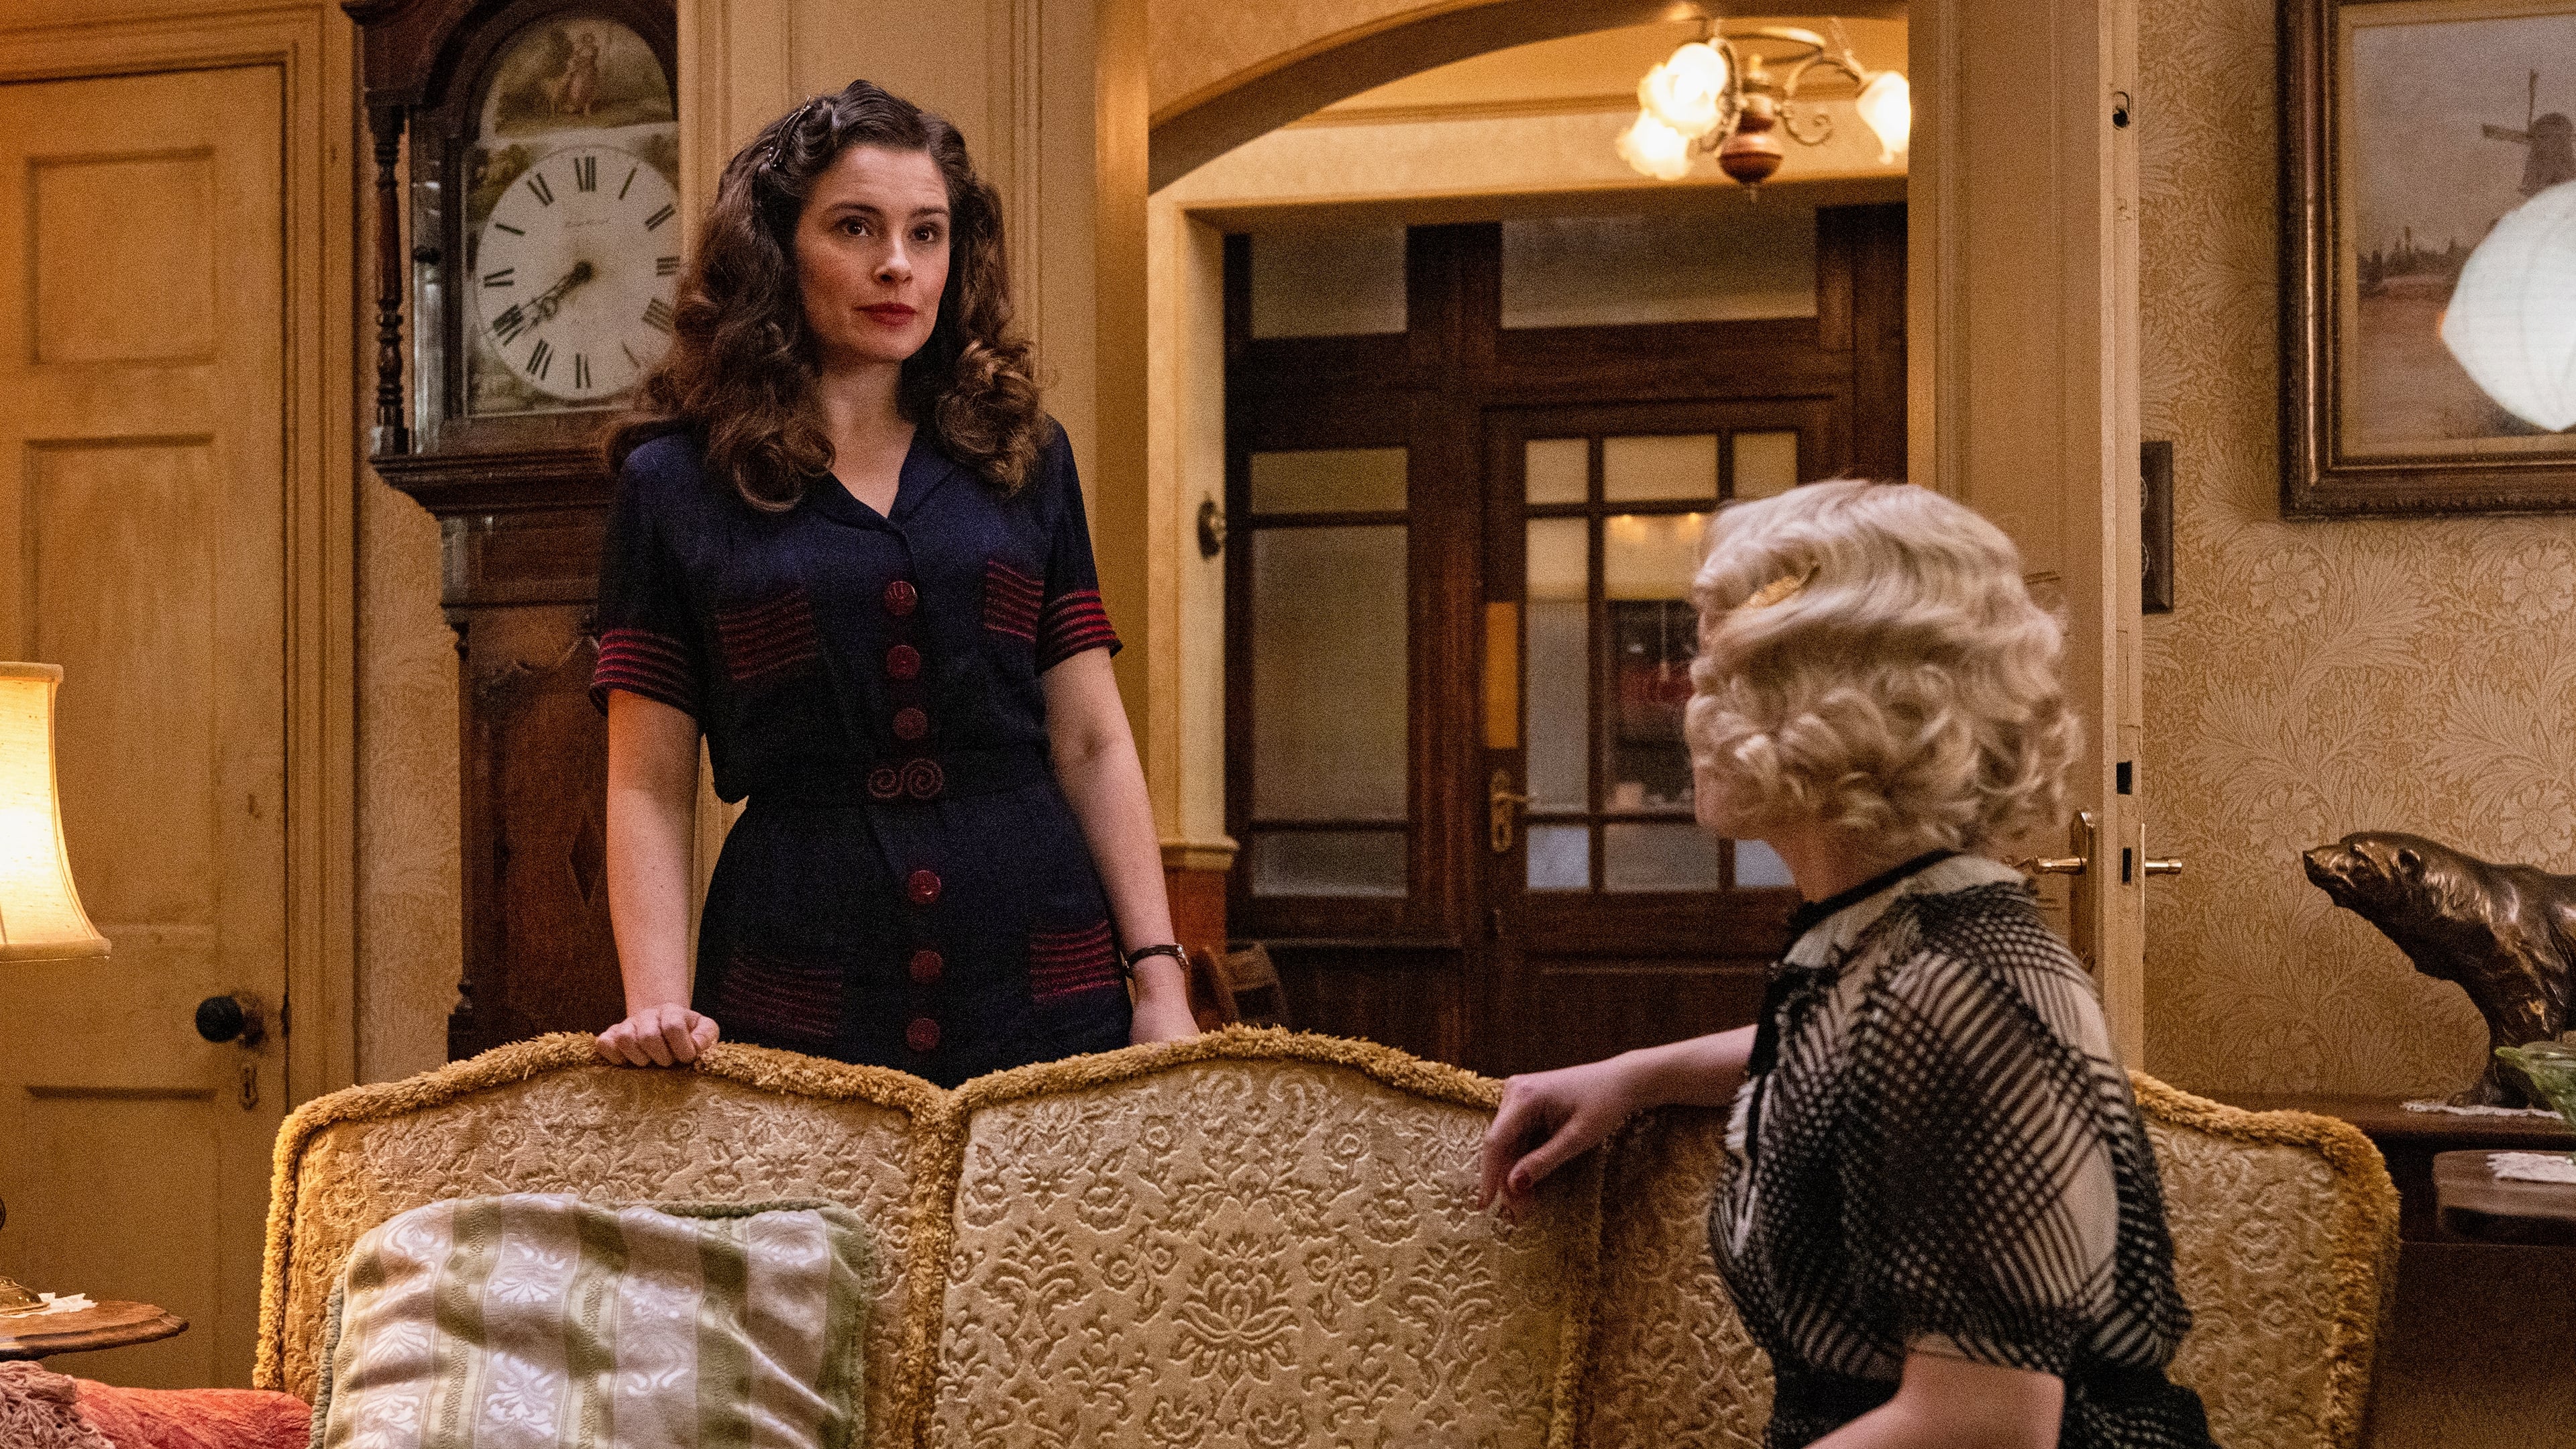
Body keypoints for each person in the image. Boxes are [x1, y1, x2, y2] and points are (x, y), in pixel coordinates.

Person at [1477, 480, 2216, 1449]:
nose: (1691, 707)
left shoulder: (1968, 989)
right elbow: (1856, 1057)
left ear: (1841, 704)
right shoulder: (1895, 934)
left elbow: (1986, 1426)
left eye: (1723, 674)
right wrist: (1639, 1076)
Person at [588, 80, 1198, 1084]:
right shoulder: (675, 484)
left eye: (927, 233)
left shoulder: (1024, 455)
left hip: (1043, 978)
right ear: (777, 247)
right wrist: (656, 1000)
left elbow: (1092, 741)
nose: (897, 266)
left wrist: (1161, 982)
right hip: (796, 977)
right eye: (855, 227)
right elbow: (648, 785)